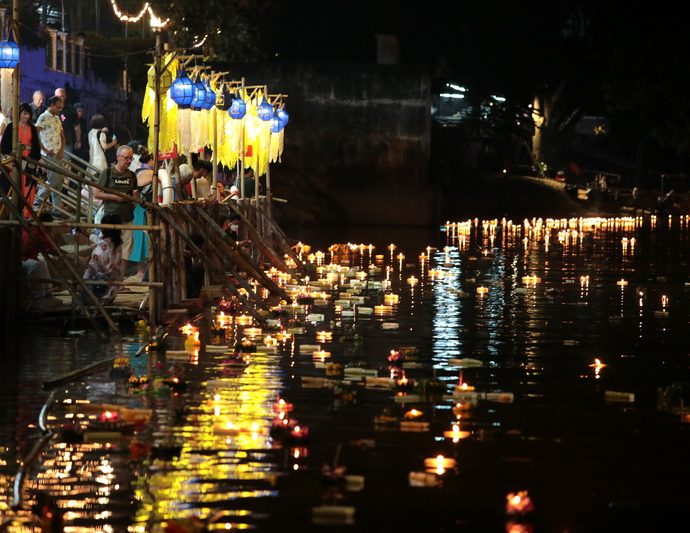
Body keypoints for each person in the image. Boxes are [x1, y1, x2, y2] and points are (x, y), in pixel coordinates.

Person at [95, 145, 138, 277]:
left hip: (127, 218)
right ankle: (106, 277)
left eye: (131, 158)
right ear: (118, 157)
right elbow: (97, 194)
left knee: (126, 250)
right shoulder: (107, 173)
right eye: (126, 158)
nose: (129, 161)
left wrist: (135, 197)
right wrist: (116, 197)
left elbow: (135, 195)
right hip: (110, 218)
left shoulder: (132, 175)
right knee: (109, 248)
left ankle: (120, 280)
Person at [0, 102, 42, 215]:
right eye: (24, 113)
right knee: (15, 186)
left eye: (28, 114)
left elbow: (36, 146)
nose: (27, 116)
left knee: (28, 187)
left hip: (29, 161)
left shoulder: (32, 128)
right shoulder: (11, 126)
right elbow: (4, 146)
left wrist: (36, 159)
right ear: (19, 113)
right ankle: (14, 213)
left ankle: (27, 212)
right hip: (15, 160)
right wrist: (12, 155)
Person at [21, 212, 62, 310]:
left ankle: (48, 294)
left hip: (27, 258)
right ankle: (37, 298)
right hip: (19, 260)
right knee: (36, 265)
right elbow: (54, 250)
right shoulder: (38, 233)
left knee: (42, 263)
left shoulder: (35, 229)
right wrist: (68, 256)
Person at [34, 95, 65, 216]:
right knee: (52, 180)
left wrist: (62, 150)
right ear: (51, 105)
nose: (59, 110)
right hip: (49, 154)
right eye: (58, 107)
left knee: (58, 182)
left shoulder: (57, 118)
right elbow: (35, 134)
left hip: (58, 154)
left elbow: (62, 136)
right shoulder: (43, 117)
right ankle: (37, 202)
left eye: (61, 108)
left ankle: (57, 209)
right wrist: (45, 150)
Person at [83, 212, 123, 305]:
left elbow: (92, 268)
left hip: (98, 290)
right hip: (111, 293)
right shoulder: (118, 245)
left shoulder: (101, 248)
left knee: (87, 278)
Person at [54, 87, 80, 159]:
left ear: (65, 96)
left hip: (67, 141)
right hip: (52, 141)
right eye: (57, 96)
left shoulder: (71, 109)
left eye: (61, 96)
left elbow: (77, 126)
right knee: (52, 164)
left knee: (64, 163)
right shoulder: (51, 107)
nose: (59, 98)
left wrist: (78, 141)